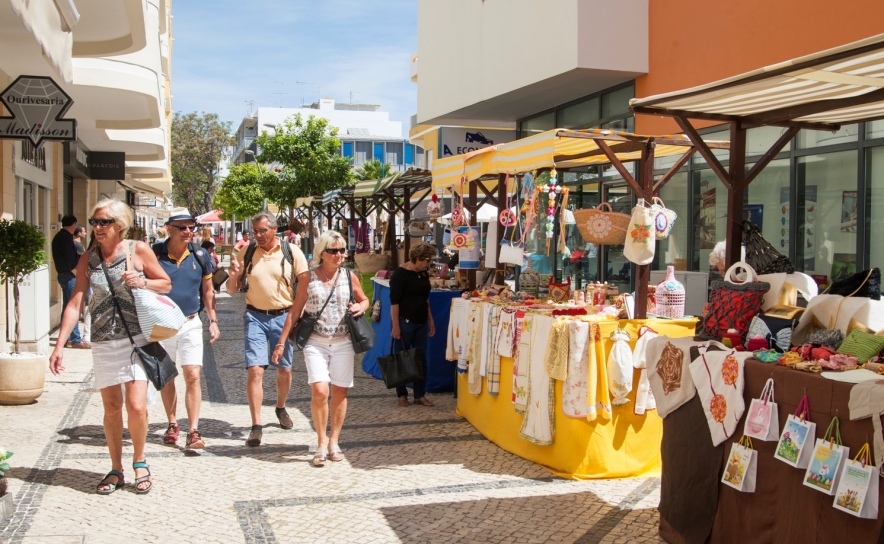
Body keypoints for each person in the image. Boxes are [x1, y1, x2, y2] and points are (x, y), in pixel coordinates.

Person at [49, 199, 172, 495]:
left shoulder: (137, 250)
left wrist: (142, 282)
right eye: (94, 222)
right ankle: (116, 468)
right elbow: (76, 300)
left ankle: (140, 460)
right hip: (104, 341)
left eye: (103, 222)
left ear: (120, 225)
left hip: (137, 338)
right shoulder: (88, 258)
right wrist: (60, 344)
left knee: (137, 404)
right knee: (112, 407)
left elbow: (165, 283)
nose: (97, 227)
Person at [275, 231, 369, 466]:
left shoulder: (350, 276)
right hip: (316, 341)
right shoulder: (308, 277)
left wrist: (361, 307)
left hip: (343, 342)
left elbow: (364, 299)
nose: (338, 255)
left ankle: (334, 441)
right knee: (319, 391)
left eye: (341, 250)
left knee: (340, 391)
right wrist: (281, 342)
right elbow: (295, 311)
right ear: (322, 253)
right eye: (333, 251)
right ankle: (320, 442)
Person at [226, 211, 309, 447]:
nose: (259, 235)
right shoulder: (248, 251)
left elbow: (304, 282)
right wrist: (234, 275)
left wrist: (298, 313)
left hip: (284, 317)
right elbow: (232, 289)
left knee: (284, 369)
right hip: (255, 317)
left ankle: (281, 407)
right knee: (255, 371)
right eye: (255, 231)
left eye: (263, 230)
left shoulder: (291, 252)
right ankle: (256, 425)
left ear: (274, 229)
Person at [153, 208, 220, 451]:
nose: (188, 231)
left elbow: (208, 290)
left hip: (191, 322)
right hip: (162, 324)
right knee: (167, 375)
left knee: (193, 375)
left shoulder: (200, 255)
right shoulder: (155, 255)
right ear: (168, 229)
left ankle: (193, 430)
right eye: (181, 227)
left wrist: (213, 320)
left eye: (191, 227)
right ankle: (172, 424)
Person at [390, 242, 437, 407]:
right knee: (402, 357)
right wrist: (396, 326)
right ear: (418, 259)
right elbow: (394, 302)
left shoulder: (423, 273)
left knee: (421, 358)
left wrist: (430, 319)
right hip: (405, 322)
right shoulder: (400, 274)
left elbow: (425, 298)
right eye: (427, 260)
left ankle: (419, 394)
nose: (428, 264)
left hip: (421, 321)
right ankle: (402, 394)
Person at [52, 215, 90, 349]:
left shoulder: (60, 236)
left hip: (64, 275)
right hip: (69, 276)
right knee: (73, 307)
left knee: (67, 307)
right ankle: (75, 339)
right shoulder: (66, 238)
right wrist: (79, 275)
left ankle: (67, 337)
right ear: (74, 224)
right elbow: (70, 261)